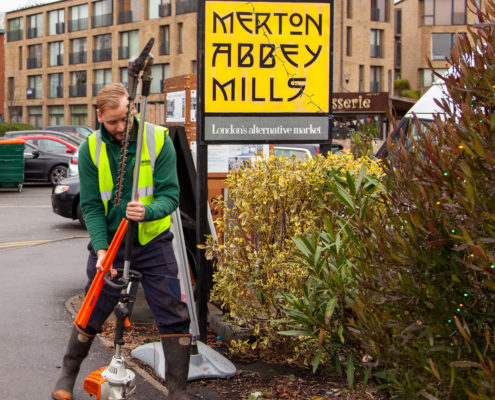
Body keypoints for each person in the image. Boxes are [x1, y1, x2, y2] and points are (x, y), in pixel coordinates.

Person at [52, 82, 192, 400]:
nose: (120, 127)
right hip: (112, 246)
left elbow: (172, 196)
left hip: (152, 242)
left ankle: (177, 391)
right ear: (100, 116)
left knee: (173, 310)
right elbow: (90, 206)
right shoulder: (90, 149)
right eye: (113, 121)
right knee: (92, 309)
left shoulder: (158, 140)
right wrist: (101, 248)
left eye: (125, 119)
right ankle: (66, 377)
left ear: (133, 109)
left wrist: (148, 210)